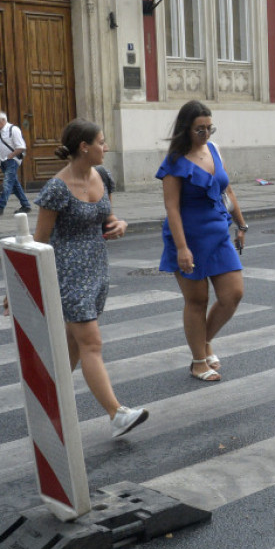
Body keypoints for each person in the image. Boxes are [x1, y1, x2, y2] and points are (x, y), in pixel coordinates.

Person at [33, 119, 148, 437]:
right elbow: (40, 240)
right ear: (84, 147)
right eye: (101, 141)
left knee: (73, 343)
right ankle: (117, 414)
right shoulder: (57, 188)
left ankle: (48, 398)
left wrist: (120, 224)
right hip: (68, 275)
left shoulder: (104, 177)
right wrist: (21, 282)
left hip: (97, 270)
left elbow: (108, 218)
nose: (106, 147)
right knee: (91, 343)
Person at [157, 101, 246, 383]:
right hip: (188, 236)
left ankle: (204, 341)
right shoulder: (174, 162)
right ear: (187, 128)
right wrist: (182, 248)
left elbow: (225, 188)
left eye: (210, 127)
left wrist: (241, 224)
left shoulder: (214, 149)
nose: (206, 133)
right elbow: (172, 208)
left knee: (233, 294)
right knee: (197, 300)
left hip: (218, 232)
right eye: (200, 129)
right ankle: (198, 361)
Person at [0, 111, 32, 217]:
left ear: (3, 120)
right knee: (14, 184)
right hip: (3, 160)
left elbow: (21, 147)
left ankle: (1, 206)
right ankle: (26, 205)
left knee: (7, 183)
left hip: (12, 160)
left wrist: (11, 155)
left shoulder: (13, 129)